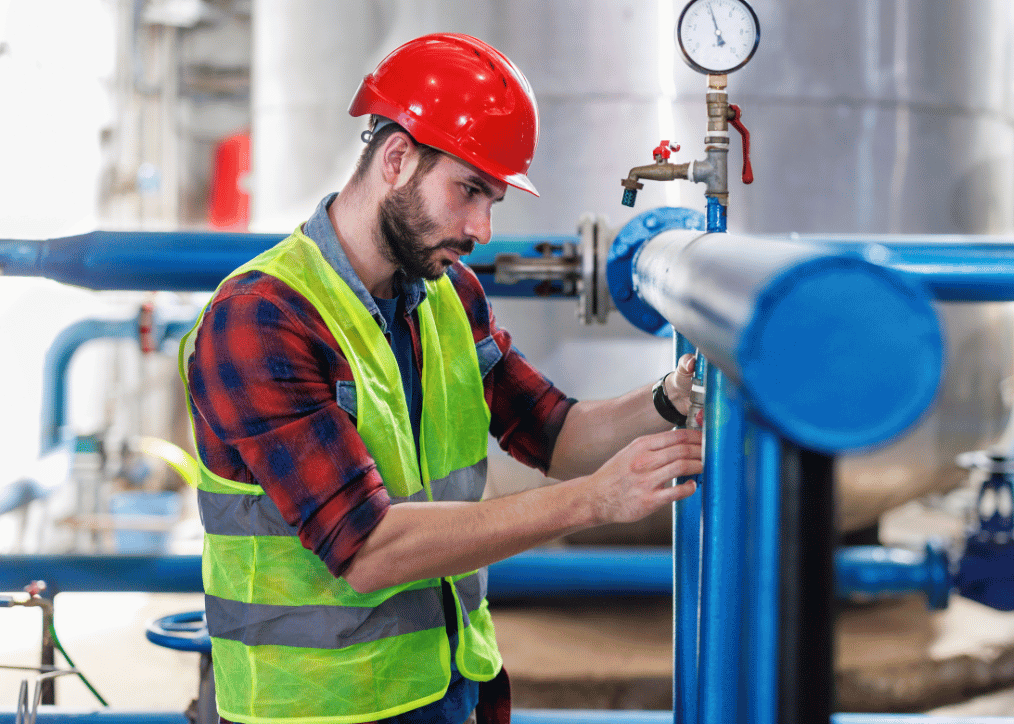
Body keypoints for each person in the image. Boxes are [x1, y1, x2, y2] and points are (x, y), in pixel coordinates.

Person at [178, 33, 701, 724]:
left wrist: (667, 400)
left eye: (495, 200)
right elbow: (366, 548)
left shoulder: (448, 293)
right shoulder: (260, 320)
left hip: (447, 689)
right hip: (312, 711)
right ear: (396, 159)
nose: (483, 227)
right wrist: (590, 503)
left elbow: (554, 432)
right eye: (469, 191)